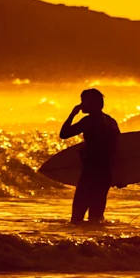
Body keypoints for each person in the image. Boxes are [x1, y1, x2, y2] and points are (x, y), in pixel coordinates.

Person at [60, 88, 120, 224]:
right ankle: (94, 241)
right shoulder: (111, 121)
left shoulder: (89, 120)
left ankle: (81, 244)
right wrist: (119, 176)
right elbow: (117, 149)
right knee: (96, 217)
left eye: (83, 101)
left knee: (76, 217)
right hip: (106, 174)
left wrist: (72, 114)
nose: (81, 105)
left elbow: (64, 134)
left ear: (92, 103)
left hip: (90, 172)